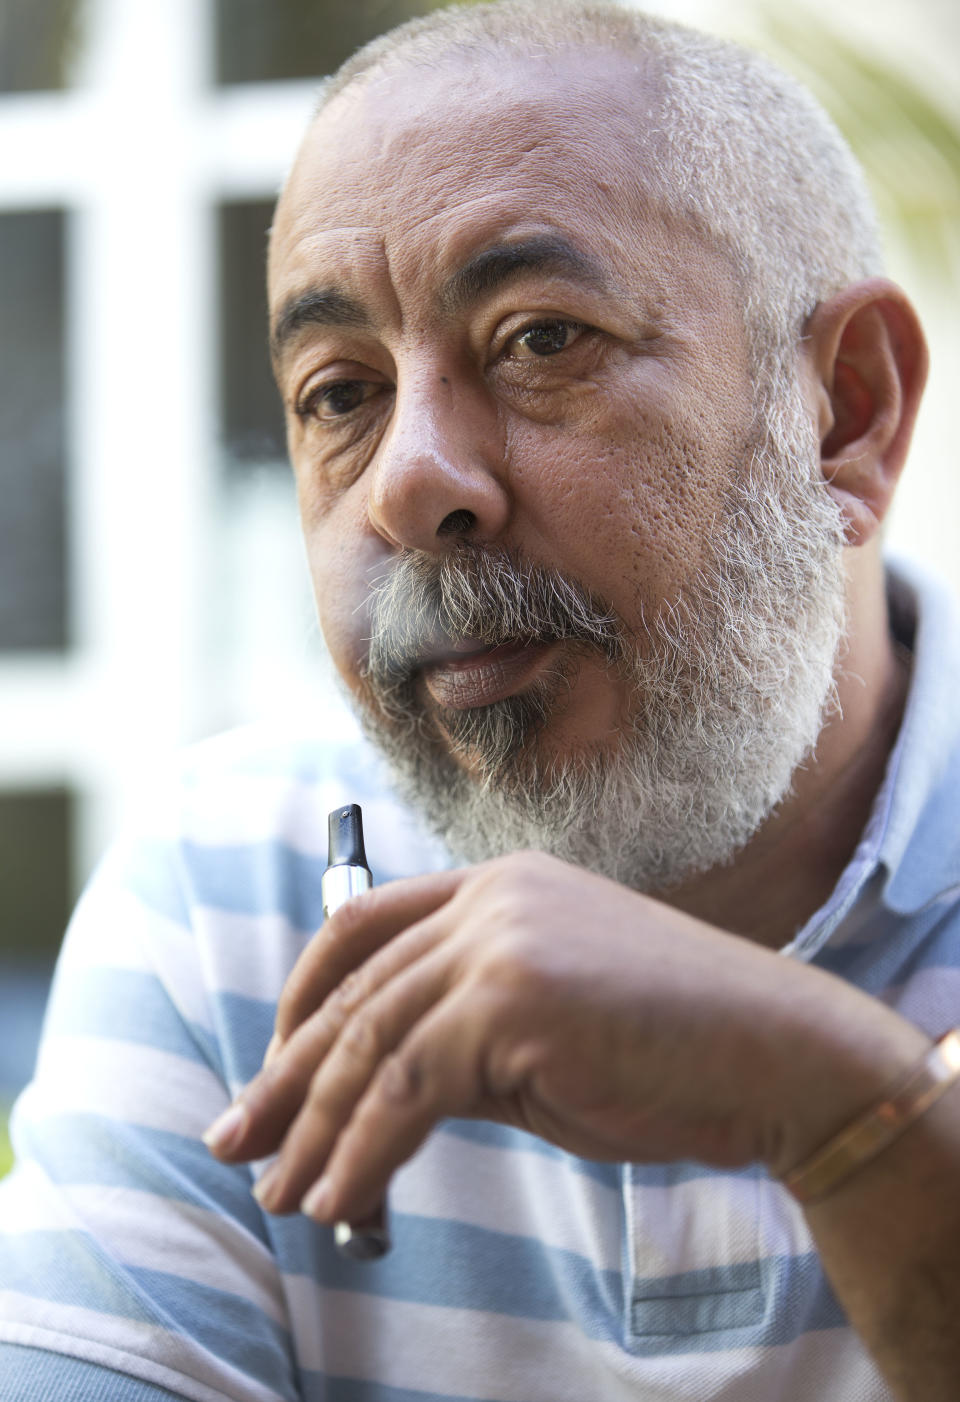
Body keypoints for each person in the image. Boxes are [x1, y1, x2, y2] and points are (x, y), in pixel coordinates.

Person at [1, 2, 958, 1398]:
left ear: (846, 411)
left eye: (540, 338)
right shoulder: (231, 896)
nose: (408, 481)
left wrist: (845, 1109)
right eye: (341, 392)